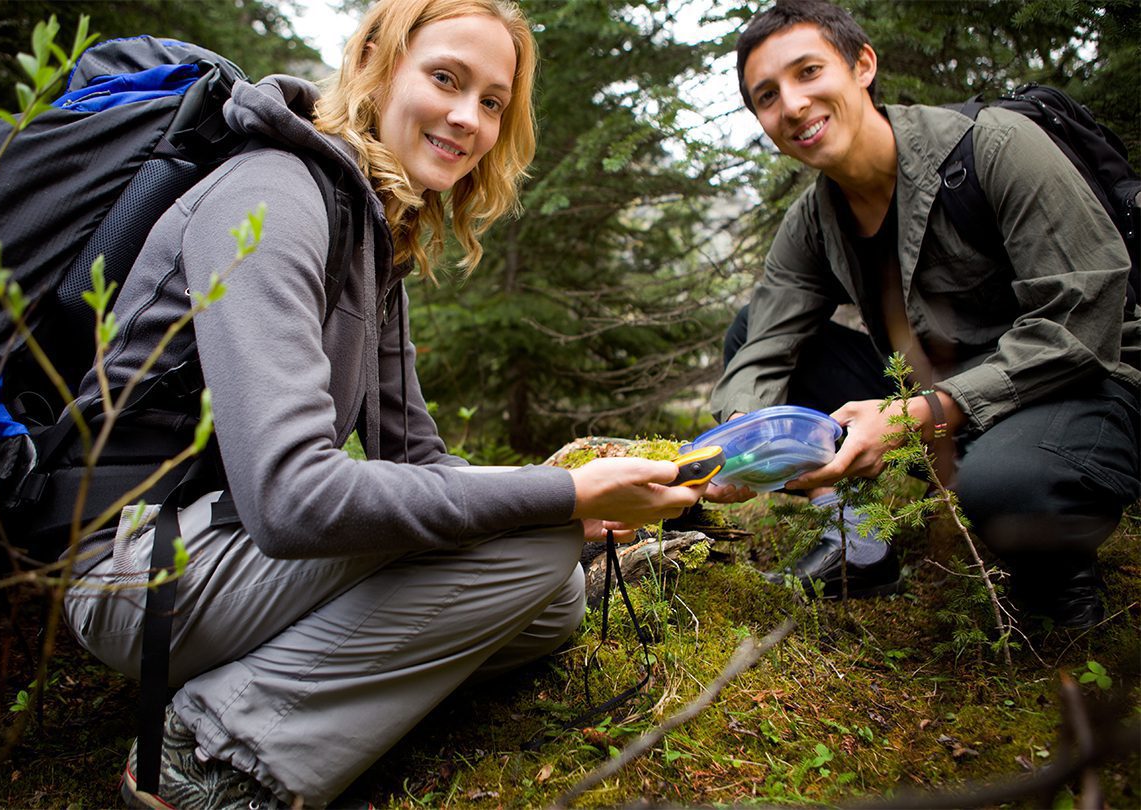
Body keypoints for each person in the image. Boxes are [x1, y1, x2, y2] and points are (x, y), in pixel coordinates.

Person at [61, 1, 705, 807]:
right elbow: (293, 498)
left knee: (553, 597)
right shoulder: (271, 193)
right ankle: (211, 752)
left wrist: (573, 512)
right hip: (139, 568)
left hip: (226, 550)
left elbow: (418, 459)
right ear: (375, 59)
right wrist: (563, 494)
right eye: (445, 78)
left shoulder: (370, 232)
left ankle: (293, 682)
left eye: (493, 101)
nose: (467, 118)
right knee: (536, 546)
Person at [704, 0, 1140, 628]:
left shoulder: (994, 148)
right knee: (751, 330)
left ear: (863, 66)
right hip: (940, 404)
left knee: (1005, 485)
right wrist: (740, 447)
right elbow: (764, 346)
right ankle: (856, 539)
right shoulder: (813, 220)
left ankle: (1060, 587)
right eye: (766, 96)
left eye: (807, 72)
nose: (792, 105)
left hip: (1079, 387)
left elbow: (1080, 323)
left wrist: (916, 416)